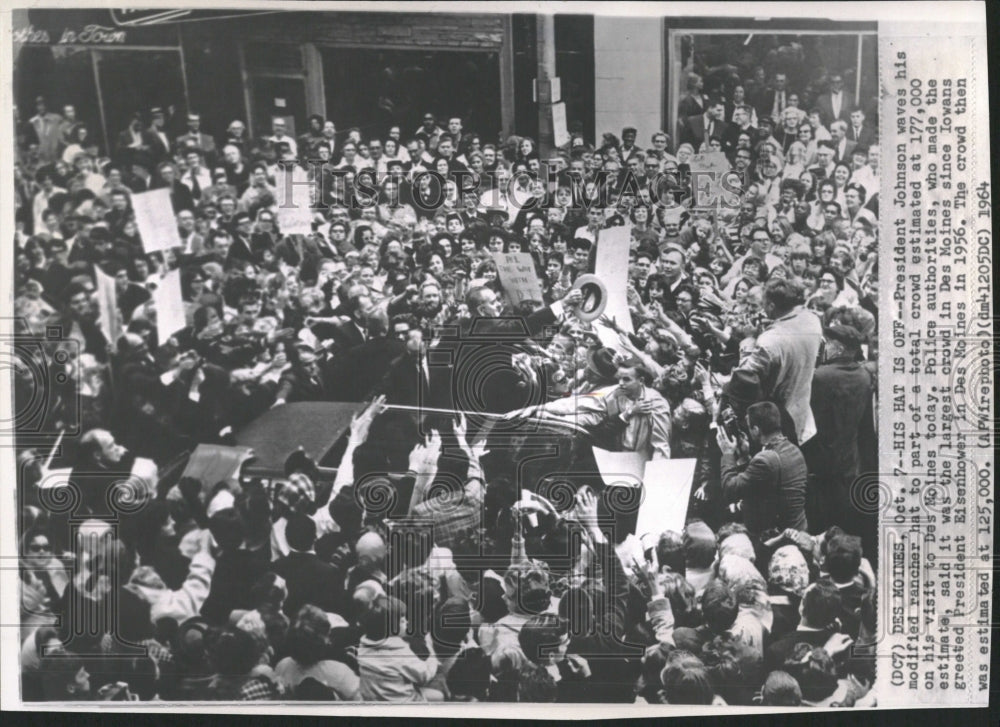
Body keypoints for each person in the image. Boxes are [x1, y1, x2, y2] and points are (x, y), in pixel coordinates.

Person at [514, 362, 672, 460]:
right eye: (619, 378)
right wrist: (537, 408)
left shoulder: (657, 404)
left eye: (626, 379)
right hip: (615, 457)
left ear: (641, 381)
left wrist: (654, 481)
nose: (621, 383)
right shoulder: (614, 392)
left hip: (642, 461)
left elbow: (661, 447)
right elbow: (576, 404)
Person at [734, 279, 823, 444]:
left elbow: (743, 379)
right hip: (802, 411)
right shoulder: (812, 320)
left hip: (775, 420)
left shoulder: (769, 340)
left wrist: (749, 340)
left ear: (771, 306)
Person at [716, 401, 808, 537]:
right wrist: (745, 456)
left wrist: (728, 453)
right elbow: (760, 482)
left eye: (749, 427)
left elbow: (730, 489)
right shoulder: (794, 450)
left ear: (756, 430)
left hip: (778, 539)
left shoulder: (766, 460)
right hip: (798, 531)